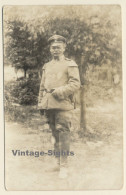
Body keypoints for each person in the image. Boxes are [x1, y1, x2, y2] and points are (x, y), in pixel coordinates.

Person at [38, 34, 80, 178]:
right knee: (54, 134)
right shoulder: (47, 66)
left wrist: (60, 91)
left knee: (63, 134)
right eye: (53, 47)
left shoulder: (70, 64)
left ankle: (64, 166)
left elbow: (75, 84)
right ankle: (57, 163)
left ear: (64, 48)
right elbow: (42, 86)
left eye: (58, 47)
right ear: (50, 49)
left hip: (63, 104)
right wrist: (40, 104)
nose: (55, 50)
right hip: (49, 105)